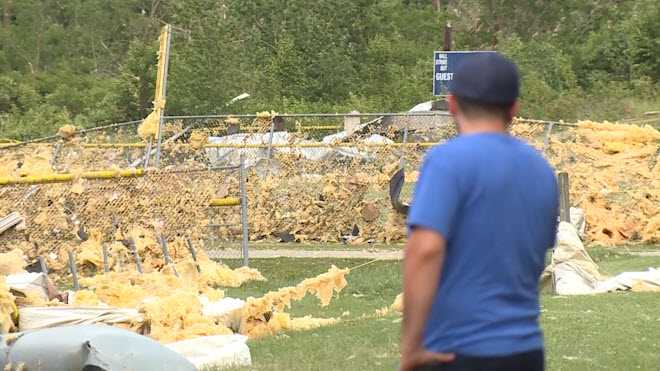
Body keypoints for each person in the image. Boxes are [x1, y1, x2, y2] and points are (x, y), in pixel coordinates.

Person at [400, 53, 558, 371]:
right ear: (514, 108)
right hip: (526, 352)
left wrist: (411, 346)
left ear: (452, 104)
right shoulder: (542, 171)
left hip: (456, 352)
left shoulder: (446, 162)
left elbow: (426, 249)